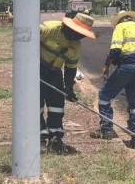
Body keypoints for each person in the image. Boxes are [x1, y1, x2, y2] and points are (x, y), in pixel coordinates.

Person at [94, 11, 135, 148]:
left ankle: (106, 130)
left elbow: (115, 50)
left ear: (119, 21)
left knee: (104, 96)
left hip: (127, 67)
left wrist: (107, 65)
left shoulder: (121, 27)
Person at [40, 12, 96, 151]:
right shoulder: (48, 28)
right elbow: (26, 43)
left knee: (57, 106)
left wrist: (69, 88)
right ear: (68, 27)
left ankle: (55, 137)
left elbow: (71, 68)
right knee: (36, 104)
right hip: (37, 68)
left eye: (81, 35)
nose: (77, 37)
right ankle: (39, 136)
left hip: (55, 72)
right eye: (76, 33)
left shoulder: (76, 45)